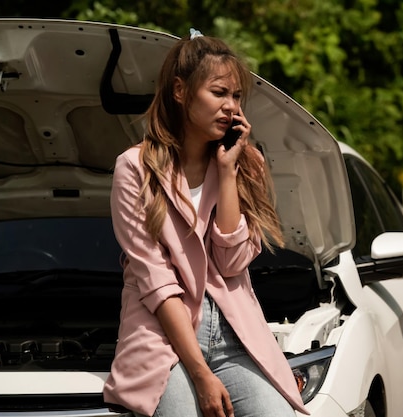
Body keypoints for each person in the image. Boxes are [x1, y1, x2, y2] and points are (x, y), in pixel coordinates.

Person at [103, 29, 310, 417]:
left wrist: (228, 172)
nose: (231, 106)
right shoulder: (135, 168)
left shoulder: (246, 163)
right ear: (180, 91)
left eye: (236, 96)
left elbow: (232, 265)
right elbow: (156, 280)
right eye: (219, 93)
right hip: (163, 340)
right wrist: (199, 373)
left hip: (233, 337)